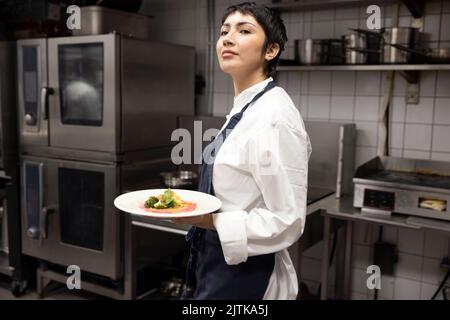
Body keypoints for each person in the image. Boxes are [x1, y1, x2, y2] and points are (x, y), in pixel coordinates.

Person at [172, 2, 312, 300]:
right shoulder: (248, 106)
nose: (228, 38)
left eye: (244, 30)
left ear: (271, 50)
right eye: (224, 31)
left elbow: (287, 220)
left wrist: (206, 220)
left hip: (248, 277)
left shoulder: (274, 116)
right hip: (217, 263)